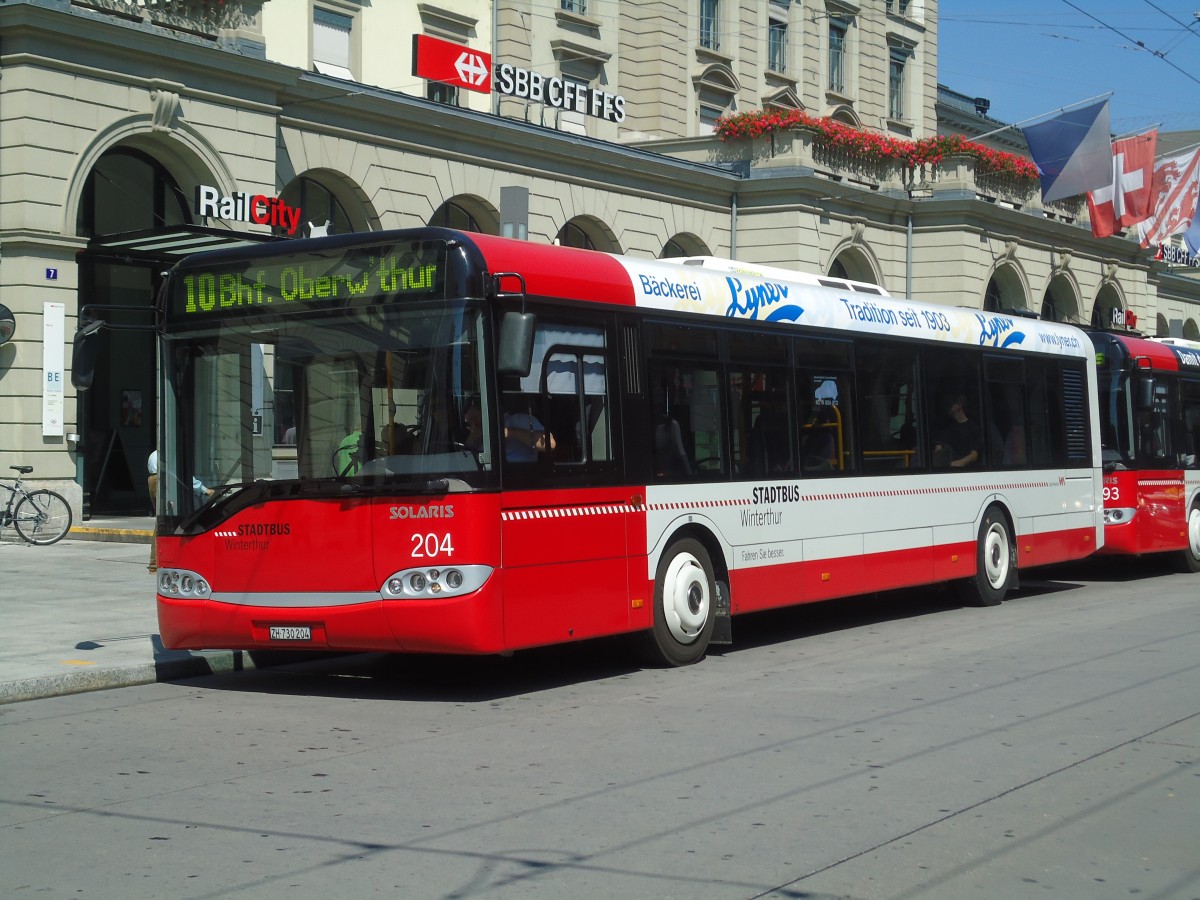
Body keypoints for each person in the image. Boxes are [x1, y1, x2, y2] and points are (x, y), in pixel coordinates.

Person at [147, 449, 211, 573]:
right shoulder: (169, 450)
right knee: (165, 521)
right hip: (161, 479)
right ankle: (160, 562)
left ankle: (155, 563)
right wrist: (203, 489)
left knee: (161, 521)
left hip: (153, 480)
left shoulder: (156, 453)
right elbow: (180, 474)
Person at [932, 394, 981, 468]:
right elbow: (939, 449)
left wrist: (957, 463)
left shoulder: (973, 428)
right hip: (947, 470)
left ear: (959, 406)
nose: (947, 406)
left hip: (967, 471)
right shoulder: (947, 429)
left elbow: (974, 455)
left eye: (950, 403)